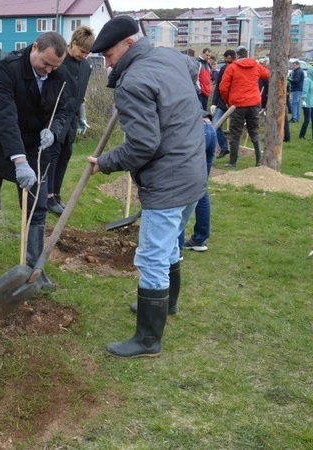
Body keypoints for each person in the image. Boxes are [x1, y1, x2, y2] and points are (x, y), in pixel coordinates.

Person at [86, 16, 206, 358]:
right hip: (192, 172)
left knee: (152, 256)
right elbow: (195, 69)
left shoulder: (133, 82)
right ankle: (166, 306)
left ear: (128, 44)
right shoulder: (170, 57)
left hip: (167, 180)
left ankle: (148, 340)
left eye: (108, 56)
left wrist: (105, 162)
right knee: (169, 247)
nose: (107, 65)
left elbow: (143, 145)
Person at [0, 32, 70, 291]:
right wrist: (19, 160)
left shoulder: (59, 76)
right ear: (35, 48)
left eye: (55, 66)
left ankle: (35, 266)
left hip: (35, 147)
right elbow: (4, 116)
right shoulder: (6, 69)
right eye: (45, 63)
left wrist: (53, 131)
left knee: (37, 206)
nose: (49, 71)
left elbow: (64, 110)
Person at [47, 25, 95, 215]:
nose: (84, 55)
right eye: (82, 51)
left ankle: (56, 194)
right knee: (52, 156)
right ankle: (48, 196)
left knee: (65, 155)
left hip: (72, 121)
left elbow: (81, 95)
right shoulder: (59, 62)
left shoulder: (86, 67)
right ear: (73, 43)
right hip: (55, 118)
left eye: (87, 53)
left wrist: (82, 117)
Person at [219, 45, 269, 168]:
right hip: (253, 103)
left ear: (236, 55)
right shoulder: (256, 66)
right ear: (247, 54)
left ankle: (233, 162)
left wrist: (228, 101)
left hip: (237, 104)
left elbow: (223, 87)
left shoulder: (232, 68)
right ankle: (259, 161)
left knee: (235, 133)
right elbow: (268, 75)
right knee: (254, 132)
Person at [180, 111, 218, 253]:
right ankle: (199, 239)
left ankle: (176, 250)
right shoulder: (188, 89)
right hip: (208, 126)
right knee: (200, 187)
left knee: (181, 186)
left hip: (193, 129)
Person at [213, 49, 235, 159]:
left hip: (235, 104)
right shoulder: (223, 70)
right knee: (215, 126)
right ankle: (224, 148)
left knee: (236, 129)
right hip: (222, 103)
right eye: (225, 62)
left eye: (229, 63)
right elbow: (218, 86)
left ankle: (234, 155)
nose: (227, 65)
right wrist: (214, 103)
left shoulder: (238, 70)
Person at [299, 66, 313, 141]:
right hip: (307, 103)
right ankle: (301, 135)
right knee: (307, 120)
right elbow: (305, 90)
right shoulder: (307, 80)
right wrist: (303, 100)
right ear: (312, 72)